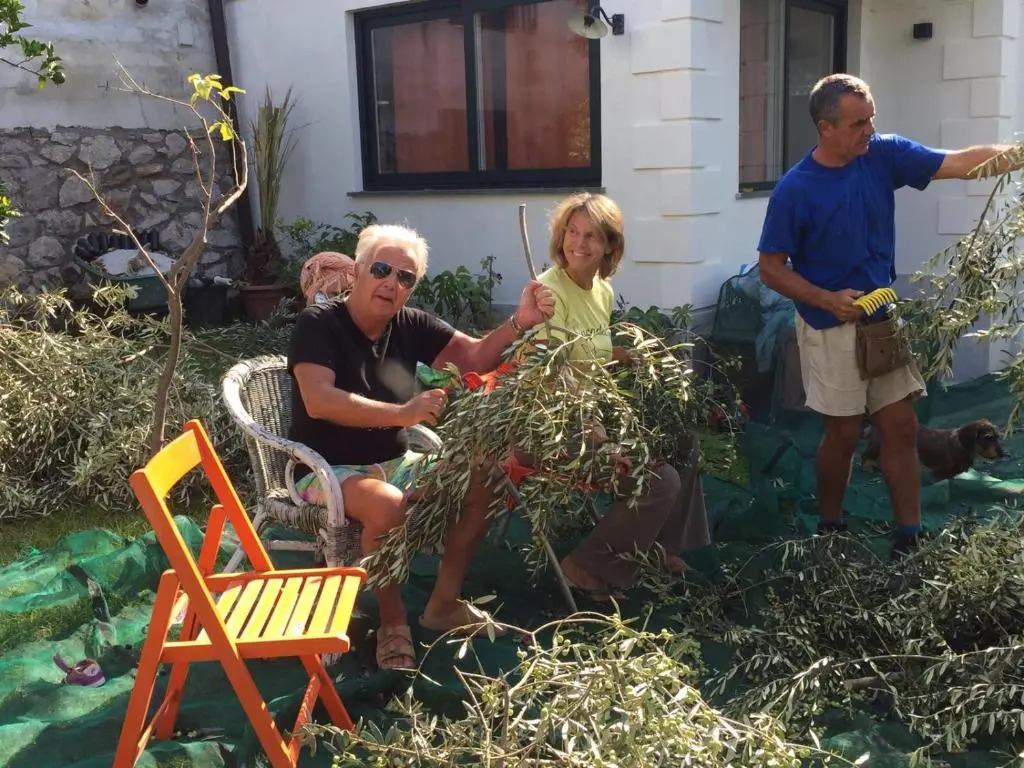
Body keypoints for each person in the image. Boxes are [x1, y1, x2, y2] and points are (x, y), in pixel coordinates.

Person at [756, 73, 1024, 557]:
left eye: (872, 119)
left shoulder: (882, 154)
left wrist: (1018, 154)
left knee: (900, 426)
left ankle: (909, 536)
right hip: (830, 325)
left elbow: (961, 163)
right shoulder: (796, 189)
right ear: (825, 128)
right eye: (858, 123)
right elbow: (771, 269)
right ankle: (830, 529)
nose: (870, 130)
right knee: (842, 432)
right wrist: (826, 299)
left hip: (881, 319)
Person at [287, 222, 555, 669]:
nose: (391, 283)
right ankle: (393, 622)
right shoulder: (318, 324)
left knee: (486, 472)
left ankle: (442, 605)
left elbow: (472, 356)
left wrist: (520, 321)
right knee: (387, 505)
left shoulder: (409, 324)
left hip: (394, 462)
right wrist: (403, 413)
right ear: (358, 270)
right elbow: (319, 401)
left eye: (405, 277)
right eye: (382, 269)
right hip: (325, 470)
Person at [529, 191, 712, 600]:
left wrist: (622, 354)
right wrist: (597, 436)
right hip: (557, 422)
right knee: (659, 479)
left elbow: (584, 347)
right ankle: (585, 566)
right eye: (572, 232)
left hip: (597, 408)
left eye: (591, 236)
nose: (578, 243)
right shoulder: (548, 293)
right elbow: (551, 372)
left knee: (683, 440)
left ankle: (659, 547)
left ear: (610, 245)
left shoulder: (601, 290)